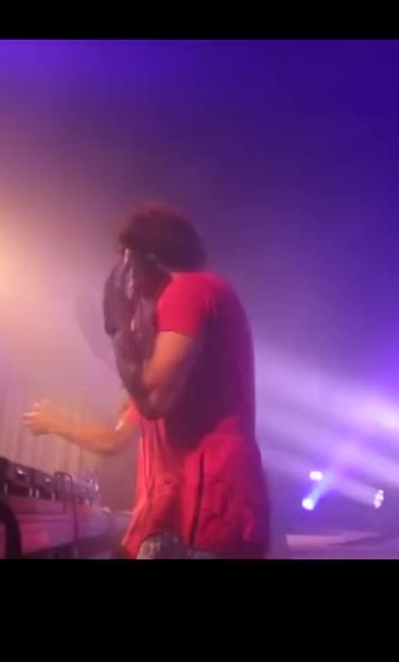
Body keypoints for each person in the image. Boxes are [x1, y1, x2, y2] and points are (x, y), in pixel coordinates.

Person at [25, 202, 270, 559]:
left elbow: (153, 399)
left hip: (203, 508)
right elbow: (147, 390)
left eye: (126, 263)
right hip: (186, 509)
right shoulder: (198, 313)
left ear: (145, 259)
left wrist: (117, 328)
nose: (126, 280)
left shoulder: (188, 290)